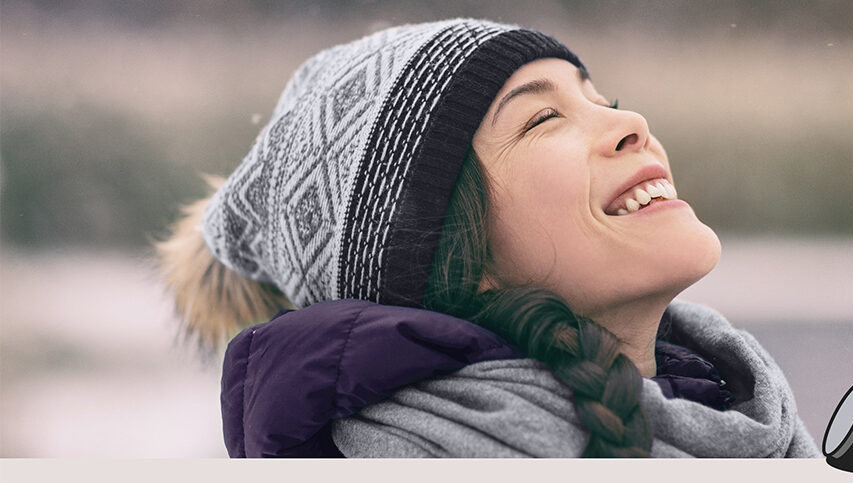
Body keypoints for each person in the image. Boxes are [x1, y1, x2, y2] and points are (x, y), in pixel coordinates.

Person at [156, 18, 819, 458]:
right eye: (543, 119)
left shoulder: (754, 418)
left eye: (603, 102)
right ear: (450, 250)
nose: (633, 123)